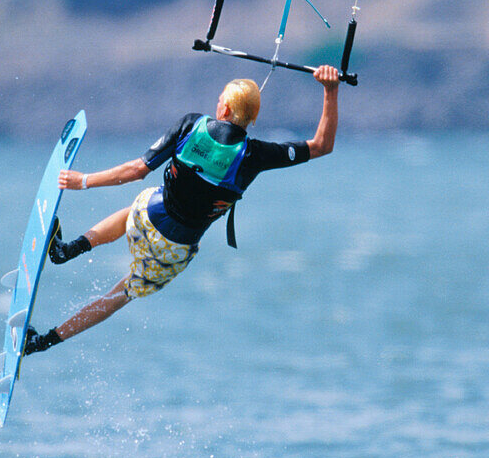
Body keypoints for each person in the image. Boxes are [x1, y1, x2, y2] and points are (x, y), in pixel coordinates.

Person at [23, 65, 340, 356]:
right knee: (117, 296)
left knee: (141, 202)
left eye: (220, 101)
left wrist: (85, 181)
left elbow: (136, 169)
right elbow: (322, 145)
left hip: (147, 217)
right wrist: (330, 90)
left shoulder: (192, 125)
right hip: (174, 251)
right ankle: (42, 343)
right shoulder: (255, 154)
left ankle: (68, 250)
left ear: (225, 109)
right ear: (251, 118)